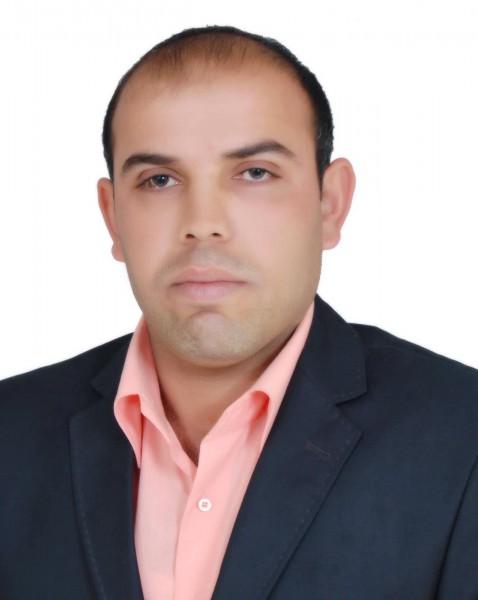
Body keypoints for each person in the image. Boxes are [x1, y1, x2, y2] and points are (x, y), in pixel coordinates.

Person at [1, 24, 477, 600]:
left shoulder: (463, 436)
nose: (203, 223)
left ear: (330, 204)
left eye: (255, 173)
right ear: (113, 217)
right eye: (159, 179)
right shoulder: (10, 434)